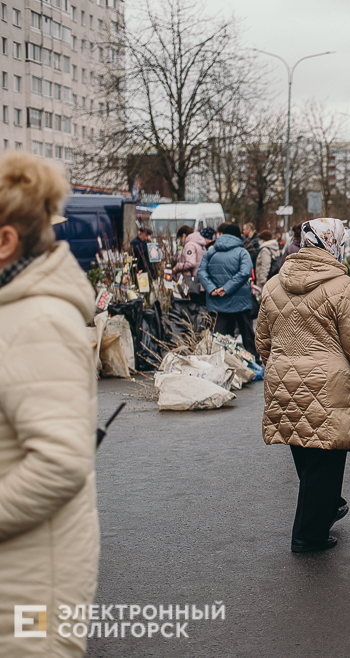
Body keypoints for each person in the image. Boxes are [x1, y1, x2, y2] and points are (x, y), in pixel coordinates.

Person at [0, 152, 99, 658]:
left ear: (6, 241)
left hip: (28, 599)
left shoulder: (36, 321)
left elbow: (60, 462)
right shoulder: (17, 312)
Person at [256, 219, 350, 552]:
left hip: (282, 382)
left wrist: (280, 366)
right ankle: (309, 536)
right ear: (332, 244)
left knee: (307, 460)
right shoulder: (343, 287)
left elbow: (262, 341)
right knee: (325, 463)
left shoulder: (274, 284)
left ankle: (326, 509)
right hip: (328, 387)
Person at [198, 222, 258, 358]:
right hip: (240, 300)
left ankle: (218, 358)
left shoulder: (211, 251)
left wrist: (212, 288)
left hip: (217, 300)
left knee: (218, 334)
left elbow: (201, 271)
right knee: (246, 332)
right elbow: (245, 272)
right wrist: (226, 288)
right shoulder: (242, 252)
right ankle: (253, 360)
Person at [174, 226, 211, 305]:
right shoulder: (200, 244)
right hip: (201, 282)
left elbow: (190, 263)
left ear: (184, 235)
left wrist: (176, 267)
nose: (181, 241)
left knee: (192, 307)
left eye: (180, 238)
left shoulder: (190, 245)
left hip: (192, 283)